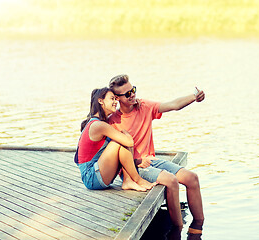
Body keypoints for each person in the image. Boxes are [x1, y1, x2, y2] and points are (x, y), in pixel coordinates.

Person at [108, 74, 205, 236]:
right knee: (171, 181)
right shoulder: (112, 121)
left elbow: (173, 105)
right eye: (127, 94)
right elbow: (112, 156)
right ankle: (177, 231)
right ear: (117, 98)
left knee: (192, 178)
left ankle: (198, 228)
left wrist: (194, 97)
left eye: (133, 90)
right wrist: (136, 161)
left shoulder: (144, 106)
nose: (132, 95)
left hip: (151, 161)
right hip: (133, 167)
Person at [74, 87, 155, 192]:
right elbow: (129, 142)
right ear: (100, 101)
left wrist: (133, 104)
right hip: (91, 177)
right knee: (119, 141)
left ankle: (127, 181)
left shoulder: (101, 122)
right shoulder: (98, 125)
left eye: (116, 99)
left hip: (98, 173)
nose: (116, 102)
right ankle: (137, 179)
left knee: (121, 139)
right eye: (112, 99)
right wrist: (126, 134)